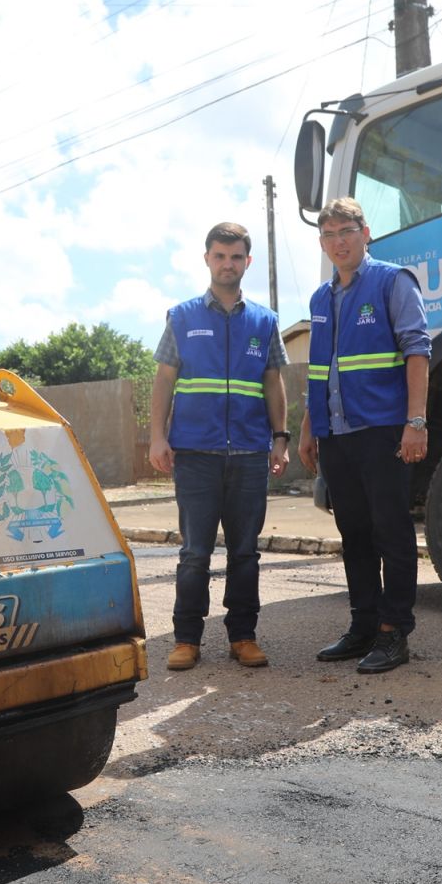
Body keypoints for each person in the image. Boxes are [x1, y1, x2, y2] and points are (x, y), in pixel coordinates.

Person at [296, 197, 430, 674]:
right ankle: (363, 626)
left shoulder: (393, 281)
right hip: (336, 434)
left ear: (365, 232)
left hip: (383, 431)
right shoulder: (319, 299)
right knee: (353, 534)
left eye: (346, 231)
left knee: (390, 531)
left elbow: (417, 351)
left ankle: (395, 633)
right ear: (322, 242)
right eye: (329, 234)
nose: (338, 241)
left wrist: (416, 423)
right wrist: (311, 428)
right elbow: (321, 369)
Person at [149, 222, 291, 671]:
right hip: (194, 454)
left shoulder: (265, 322)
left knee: (245, 551)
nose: (227, 264)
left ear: (247, 262)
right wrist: (157, 436)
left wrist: (280, 439)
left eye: (236, 257)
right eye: (219, 256)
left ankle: (243, 637)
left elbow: (274, 384)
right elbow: (164, 382)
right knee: (194, 552)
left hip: (249, 453)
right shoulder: (182, 316)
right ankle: (187, 638)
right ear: (207, 259)